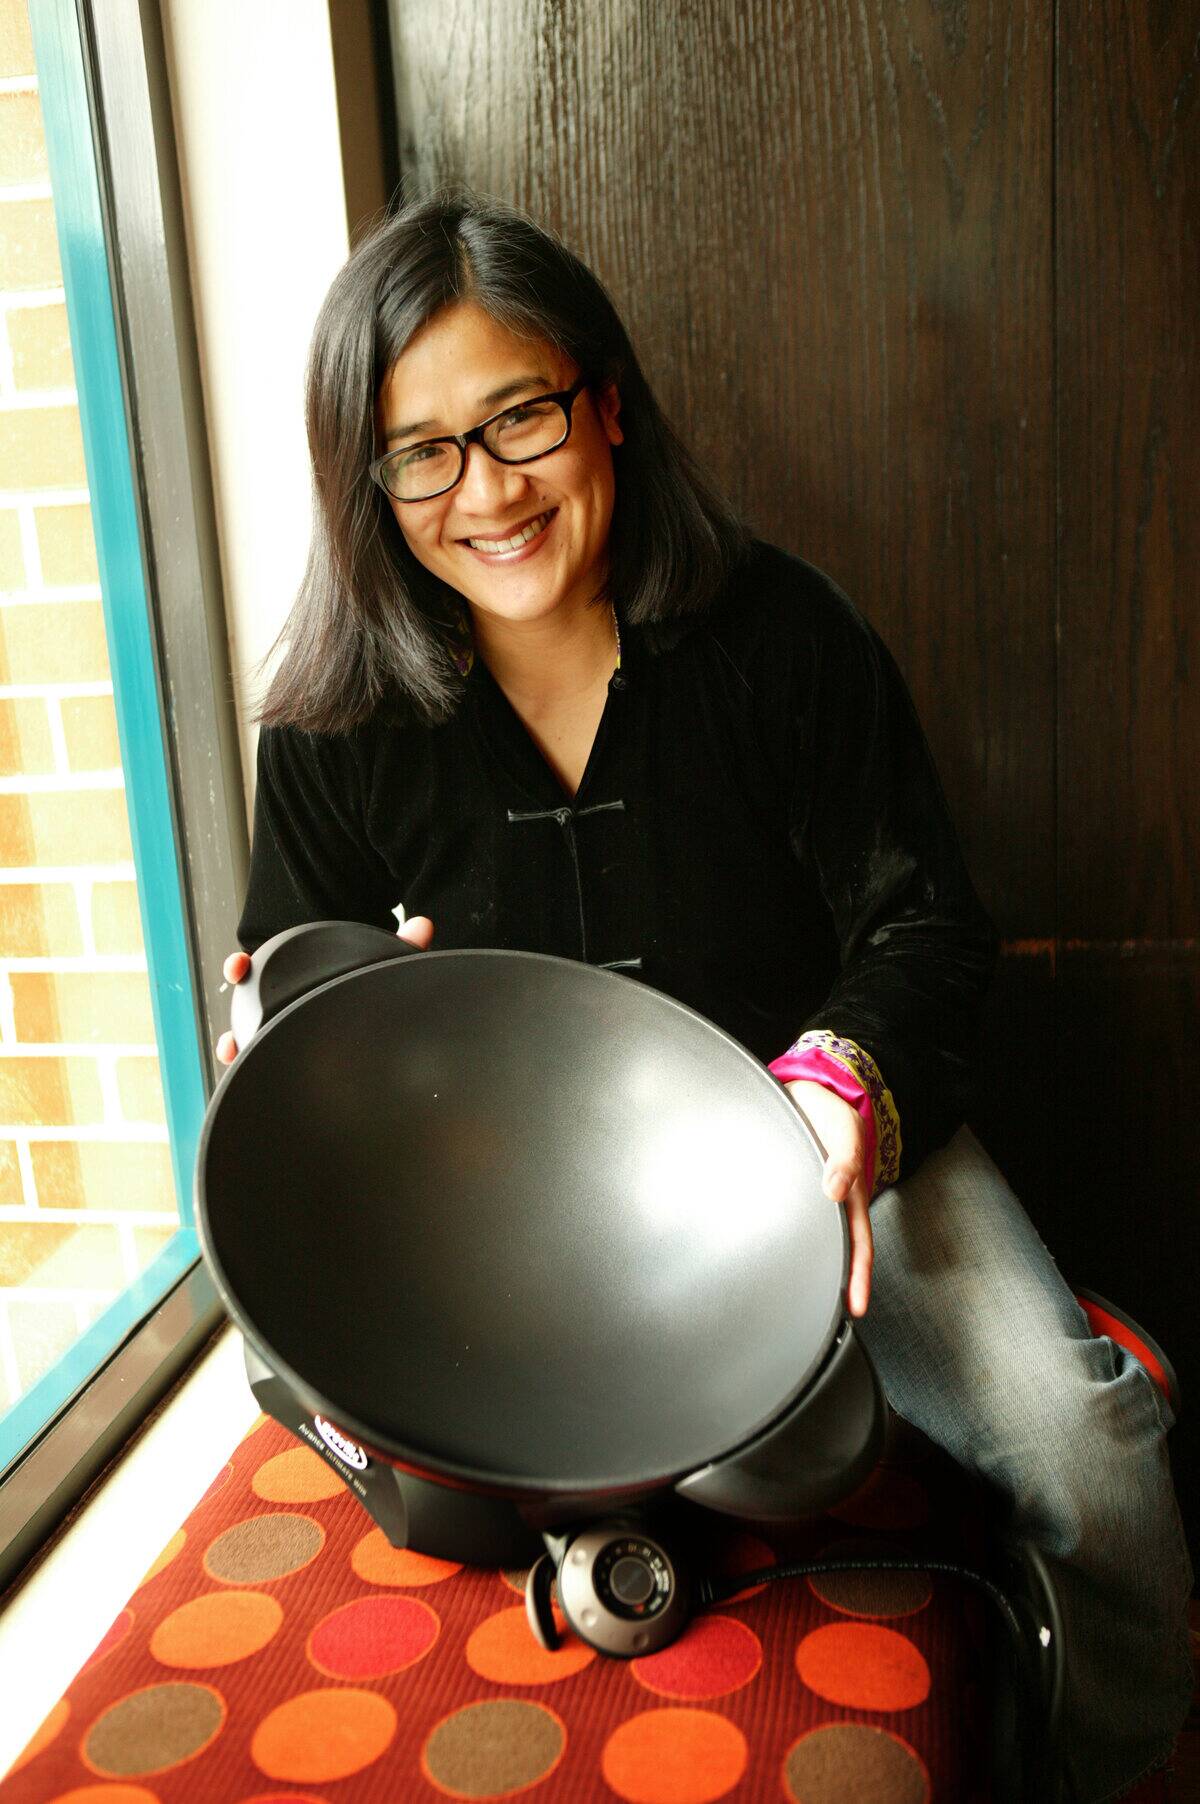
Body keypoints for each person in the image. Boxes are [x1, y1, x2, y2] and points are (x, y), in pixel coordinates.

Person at [217, 191, 1192, 1802]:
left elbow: (928, 925)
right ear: (370, 485)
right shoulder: (331, 724)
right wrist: (282, 1035)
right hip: (503, 1206)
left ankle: (1119, 1766)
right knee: (449, 1488)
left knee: (1092, 1455)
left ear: (605, 401)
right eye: (422, 451)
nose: (486, 491)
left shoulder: (781, 638)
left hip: (812, 1143)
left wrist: (848, 1084)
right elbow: (286, 986)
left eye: (518, 416)